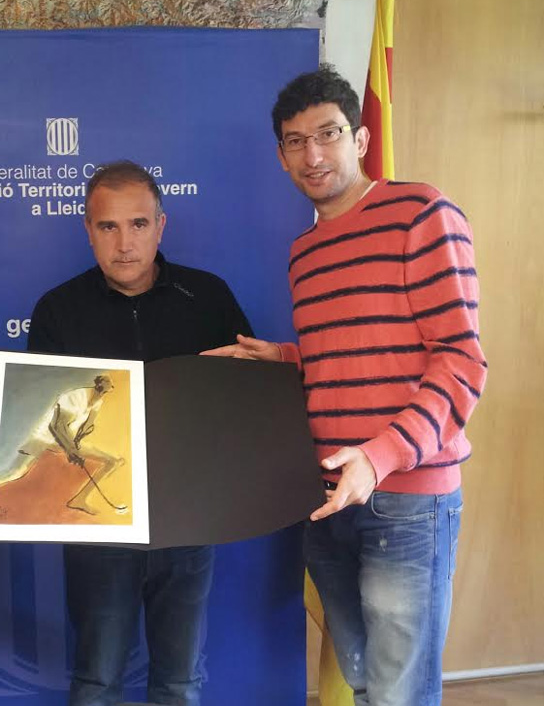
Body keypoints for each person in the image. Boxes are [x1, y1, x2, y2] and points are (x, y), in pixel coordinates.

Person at [205, 66, 487, 706]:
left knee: (398, 694)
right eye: (295, 141)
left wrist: (378, 458)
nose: (313, 155)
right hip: (326, 497)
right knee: (361, 681)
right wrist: (284, 357)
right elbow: (351, 352)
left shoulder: (421, 212)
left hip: (406, 500)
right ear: (281, 156)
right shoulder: (304, 252)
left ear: (360, 139)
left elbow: (460, 360)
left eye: (328, 134)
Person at [27, 160, 253, 706]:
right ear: (88, 229)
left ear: (161, 226)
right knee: (96, 679)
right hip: (97, 524)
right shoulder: (58, 310)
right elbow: (42, 423)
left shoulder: (209, 297)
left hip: (187, 518)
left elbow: (246, 401)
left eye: (139, 224)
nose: (124, 243)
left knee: (179, 681)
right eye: (108, 226)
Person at [0, 374, 126, 514]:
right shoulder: (76, 397)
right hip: (44, 439)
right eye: (108, 382)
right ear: (99, 383)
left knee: (113, 462)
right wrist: (71, 449)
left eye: (111, 385)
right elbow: (58, 426)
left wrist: (77, 443)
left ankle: (79, 500)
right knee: (16, 472)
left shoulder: (98, 402)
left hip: (64, 442)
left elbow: (87, 426)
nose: (111, 385)